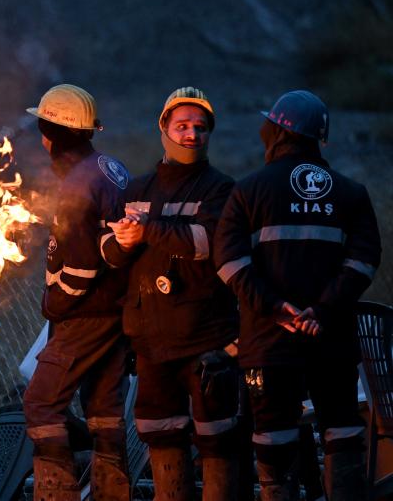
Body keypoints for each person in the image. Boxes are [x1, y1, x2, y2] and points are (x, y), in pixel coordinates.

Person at [213, 90, 382, 501]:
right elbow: (364, 261)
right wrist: (321, 310)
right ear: (316, 138)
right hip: (332, 338)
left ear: (278, 131)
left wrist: (273, 307)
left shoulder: (249, 190)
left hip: (269, 342)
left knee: (273, 440)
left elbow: (228, 261)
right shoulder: (350, 193)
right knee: (342, 432)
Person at [101, 87, 239, 500]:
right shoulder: (138, 189)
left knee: (217, 439)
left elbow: (206, 244)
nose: (192, 135)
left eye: (200, 127)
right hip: (152, 341)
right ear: (164, 128)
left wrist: (148, 230)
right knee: (161, 434)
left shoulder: (221, 189)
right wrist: (123, 242)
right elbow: (108, 254)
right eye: (182, 126)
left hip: (205, 340)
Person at [22, 84, 131, 500]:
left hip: (85, 314)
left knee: (40, 403)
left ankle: (57, 493)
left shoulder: (76, 184)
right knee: (104, 413)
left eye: (43, 130)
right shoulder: (109, 167)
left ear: (54, 134)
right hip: (115, 312)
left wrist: (54, 303)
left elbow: (82, 270)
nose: (42, 139)